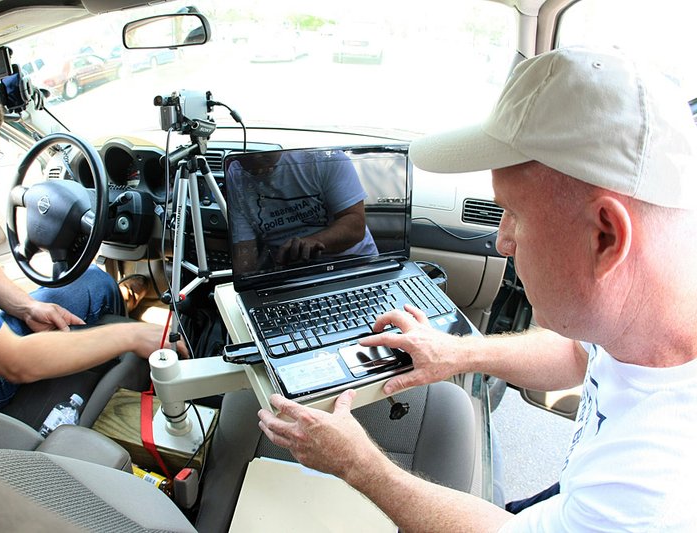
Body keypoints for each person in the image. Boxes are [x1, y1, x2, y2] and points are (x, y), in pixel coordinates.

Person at [258, 45, 697, 531]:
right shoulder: (651, 309)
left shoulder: (653, 493)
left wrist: (357, 463)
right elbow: (581, 354)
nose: (501, 240)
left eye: (513, 213)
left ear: (606, 236)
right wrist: (456, 353)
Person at [0, 77, 165, 412]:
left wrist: (26, 306)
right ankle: (121, 377)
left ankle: (115, 327)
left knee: (97, 282)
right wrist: (135, 337)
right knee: (114, 312)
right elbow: (15, 363)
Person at [226, 149, 378, 273]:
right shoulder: (236, 175)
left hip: (353, 264)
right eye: (245, 158)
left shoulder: (323, 157)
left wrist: (313, 242)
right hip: (289, 274)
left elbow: (355, 225)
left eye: (263, 154)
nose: (257, 159)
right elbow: (244, 252)